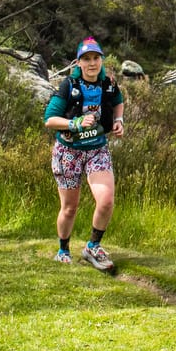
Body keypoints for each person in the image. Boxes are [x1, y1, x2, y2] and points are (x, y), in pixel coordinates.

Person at [43, 37, 126, 270]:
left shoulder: (108, 83)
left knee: (106, 200)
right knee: (70, 207)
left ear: (101, 60)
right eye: (86, 59)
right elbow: (50, 120)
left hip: (97, 149)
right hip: (68, 152)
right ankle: (63, 248)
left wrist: (118, 120)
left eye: (96, 58)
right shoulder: (68, 85)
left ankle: (93, 246)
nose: (92, 63)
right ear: (78, 63)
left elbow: (118, 100)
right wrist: (76, 123)